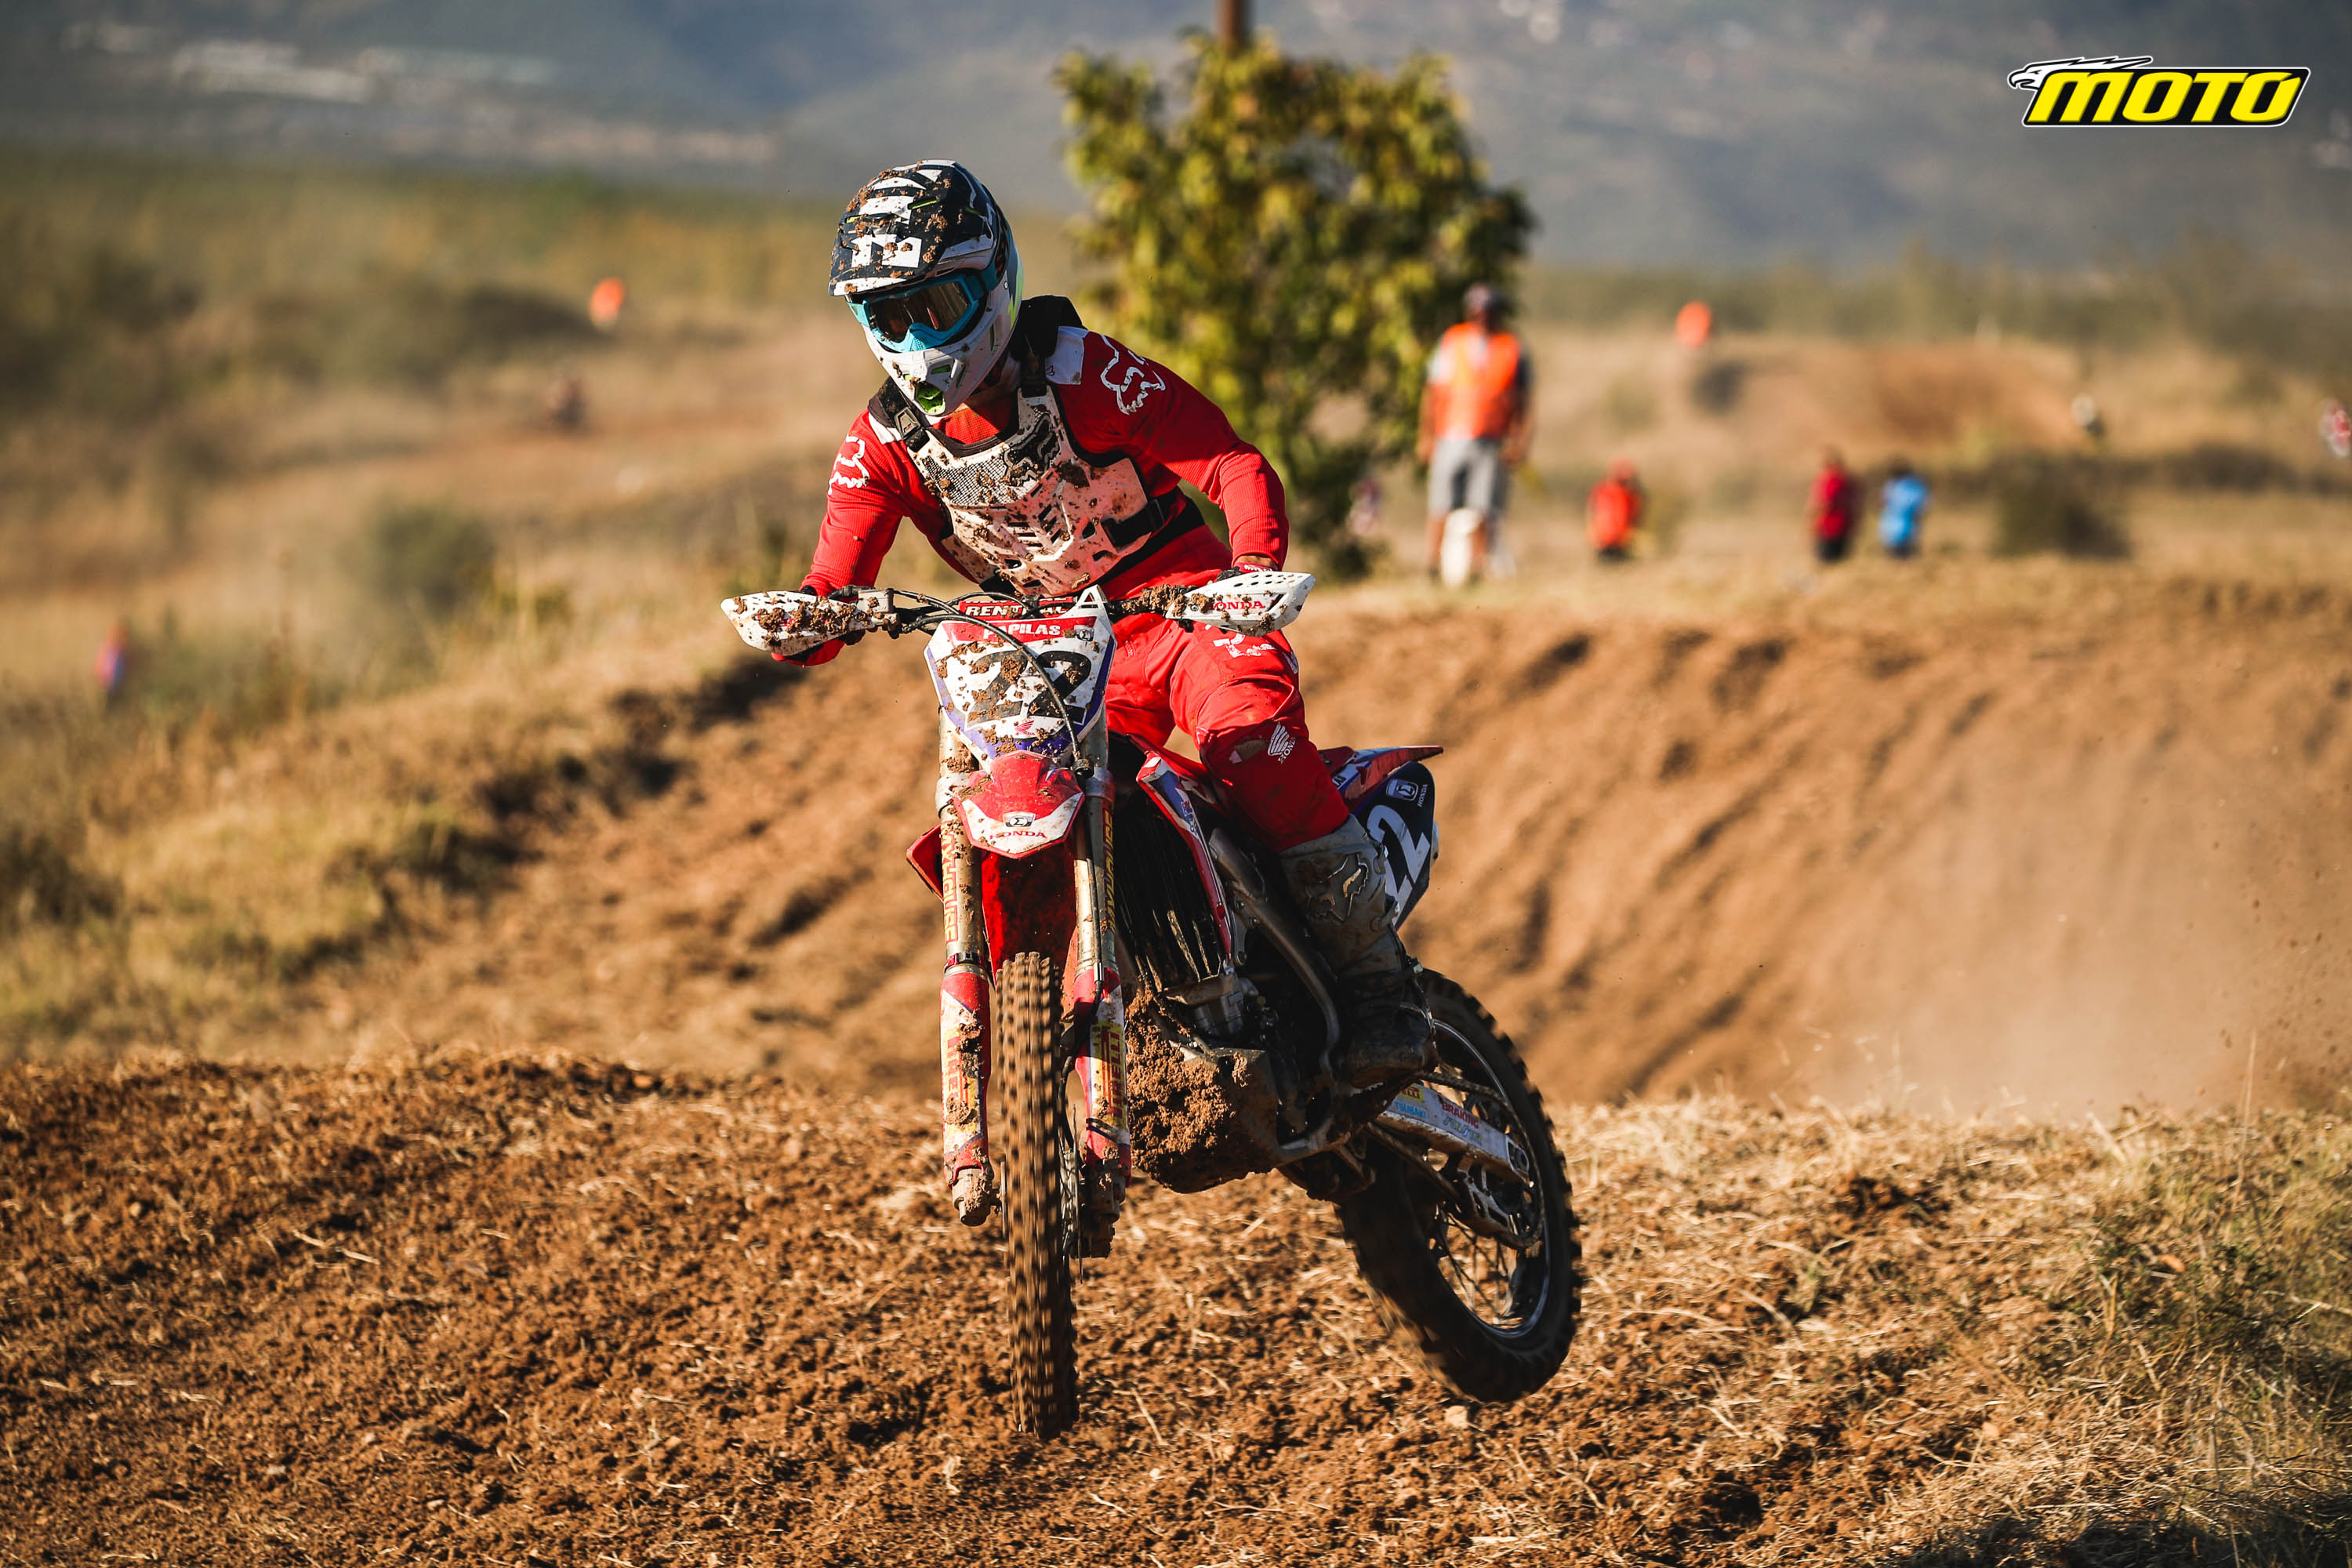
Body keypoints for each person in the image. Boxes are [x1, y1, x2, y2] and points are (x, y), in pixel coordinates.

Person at [792, 162, 1433, 1220]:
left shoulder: (1085, 375)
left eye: (934, 304)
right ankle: (1123, 1013)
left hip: (1179, 613)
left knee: (1249, 742)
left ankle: (1376, 987)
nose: (913, 337)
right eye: (886, 314)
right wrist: (811, 620)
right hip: (1051, 655)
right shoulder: (882, 444)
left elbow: (1231, 463)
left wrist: (1250, 573)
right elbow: (837, 578)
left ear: (993, 282)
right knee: (1009, 799)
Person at [1417, 283, 1531, 581]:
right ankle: (1433, 566)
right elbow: (1433, 392)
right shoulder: (1452, 341)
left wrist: (1520, 440)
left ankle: (1479, 568)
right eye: (1477, 311)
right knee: (1442, 504)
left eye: (1488, 311)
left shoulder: (1511, 347)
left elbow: (1523, 400)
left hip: (1491, 439)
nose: (1483, 317)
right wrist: (1426, 437)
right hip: (1450, 434)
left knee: (1485, 507)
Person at [1586, 458, 1644, 561]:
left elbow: (1635, 517)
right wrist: (1594, 534)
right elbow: (1592, 513)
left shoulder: (1630, 495)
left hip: (1621, 541)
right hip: (1604, 540)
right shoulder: (1602, 491)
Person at [1807, 448, 1857, 564]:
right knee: (1840, 563)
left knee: (1827, 563)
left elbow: (1826, 504)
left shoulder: (1830, 483)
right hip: (1843, 527)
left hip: (1828, 528)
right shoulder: (1848, 482)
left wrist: (1813, 521)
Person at [1878, 459, 1930, 559]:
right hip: (1893, 527)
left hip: (1905, 526)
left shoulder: (1911, 486)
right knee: (1895, 553)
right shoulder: (1892, 484)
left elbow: (1920, 505)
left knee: (1903, 553)